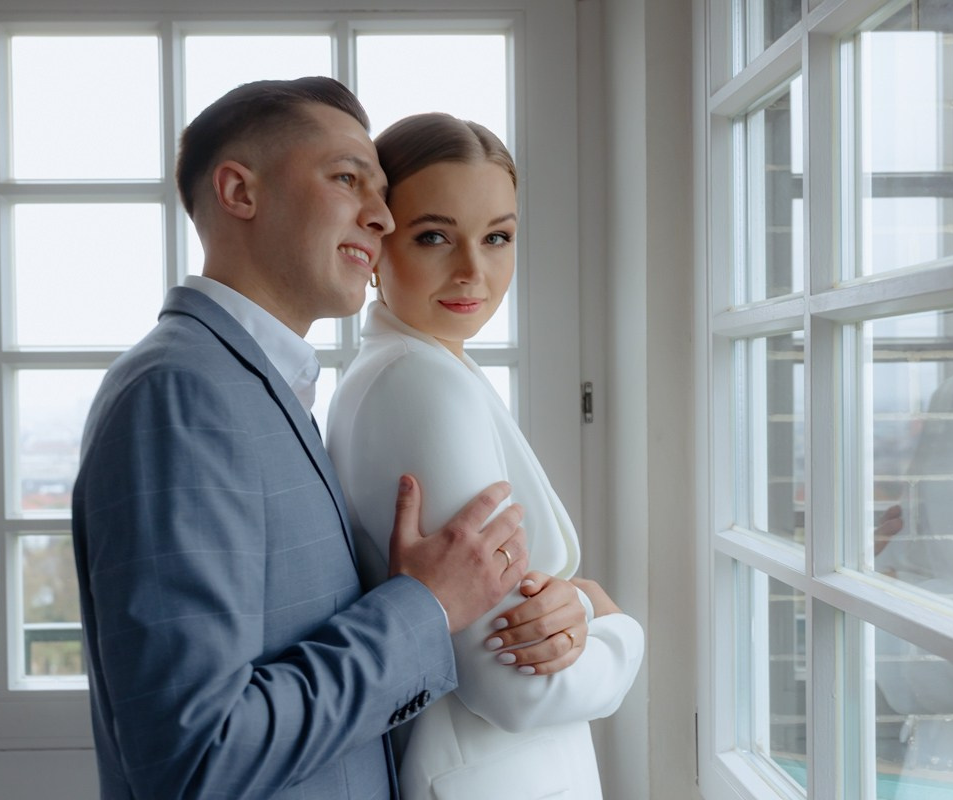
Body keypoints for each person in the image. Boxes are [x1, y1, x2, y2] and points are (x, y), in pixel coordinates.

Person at [71, 78, 590, 799]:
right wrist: (429, 608)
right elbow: (193, 756)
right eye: (349, 179)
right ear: (238, 192)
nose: (380, 218)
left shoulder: (256, 385)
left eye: (381, 194)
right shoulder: (183, 394)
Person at [326, 113, 645, 799]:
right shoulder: (421, 384)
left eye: (498, 237)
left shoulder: (403, 369)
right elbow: (513, 687)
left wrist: (573, 611)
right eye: (435, 236)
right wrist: (617, 630)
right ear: (378, 241)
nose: (475, 270)